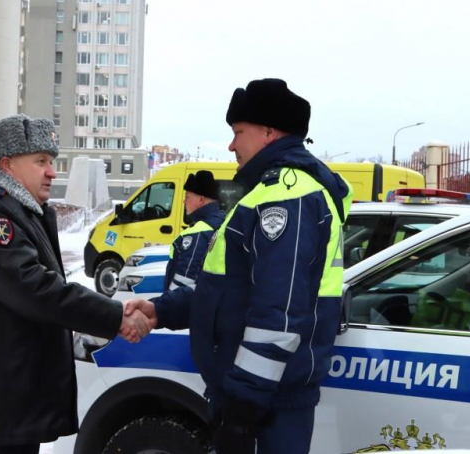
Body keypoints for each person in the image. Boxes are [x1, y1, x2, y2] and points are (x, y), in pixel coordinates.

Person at [126, 79, 354, 454]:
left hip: (266, 404)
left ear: (268, 132)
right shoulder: (266, 192)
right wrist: (161, 310)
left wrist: (243, 408)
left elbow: (279, 313)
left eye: (238, 133)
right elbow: (231, 290)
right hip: (254, 395)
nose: (232, 145)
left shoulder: (286, 196)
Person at [0, 114, 149, 454]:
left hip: (17, 399)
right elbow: (36, 290)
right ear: (7, 164)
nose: (52, 172)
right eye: (41, 161)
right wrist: (115, 316)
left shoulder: (22, 211)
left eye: (51, 161)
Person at [149, 171, 225, 328]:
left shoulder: (197, 232)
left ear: (201, 200)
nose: (184, 201)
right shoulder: (223, 221)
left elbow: (183, 282)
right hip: (216, 313)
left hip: (193, 317)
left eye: (188, 196)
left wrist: (164, 311)